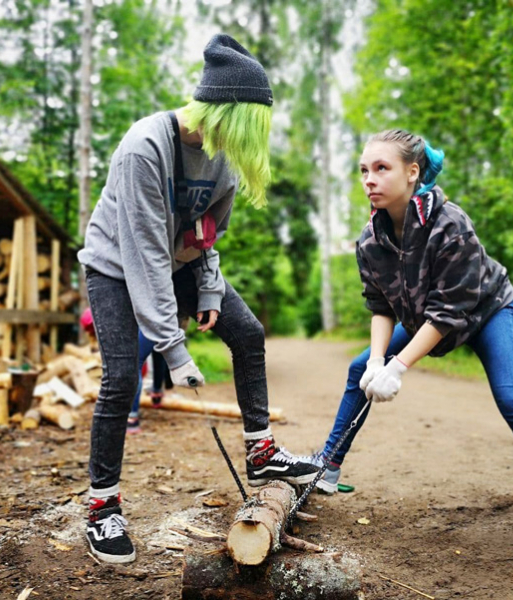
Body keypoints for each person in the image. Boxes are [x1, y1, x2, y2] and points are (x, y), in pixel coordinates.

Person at [77, 34, 319, 564]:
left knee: (248, 331)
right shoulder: (146, 146)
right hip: (117, 266)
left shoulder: (224, 158)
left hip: (179, 264)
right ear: (225, 111)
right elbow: (143, 254)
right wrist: (173, 348)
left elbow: (206, 236)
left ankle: (261, 451)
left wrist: (208, 291)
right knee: (121, 378)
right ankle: (102, 509)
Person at [308, 129, 513, 568]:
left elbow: (450, 313)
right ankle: (325, 468)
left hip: (486, 311)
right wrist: (376, 359)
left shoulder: (450, 224)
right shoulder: (370, 240)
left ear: (413, 172)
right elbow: (381, 306)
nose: (369, 179)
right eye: (364, 170)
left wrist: (399, 366)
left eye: (381, 168)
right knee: (358, 370)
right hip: (426, 318)